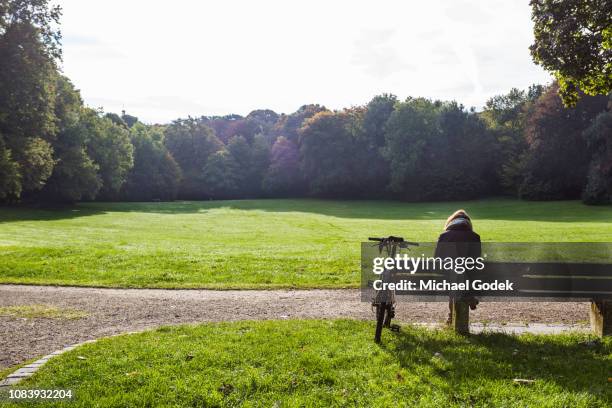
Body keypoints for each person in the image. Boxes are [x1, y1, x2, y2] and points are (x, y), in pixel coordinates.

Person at [434, 209, 481, 324]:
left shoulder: (444, 236)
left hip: (446, 278)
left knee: (454, 276)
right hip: (466, 279)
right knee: (461, 274)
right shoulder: (475, 237)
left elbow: (436, 259)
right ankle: (468, 295)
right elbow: (476, 261)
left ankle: (451, 317)